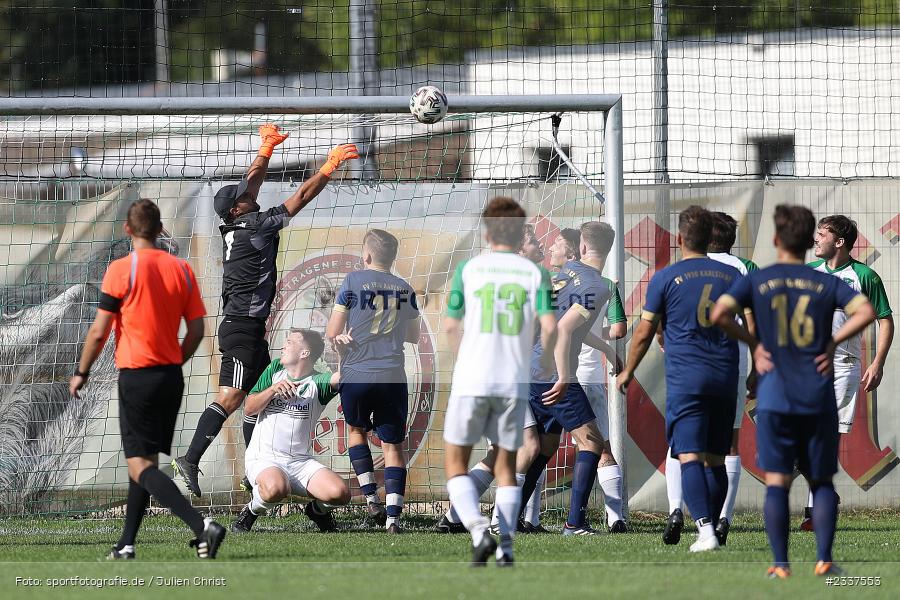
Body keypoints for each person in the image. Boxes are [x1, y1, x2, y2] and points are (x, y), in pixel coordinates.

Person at [173, 124, 358, 497]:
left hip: (248, 328)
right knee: (231, 397)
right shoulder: (256, 226)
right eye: (245, 196)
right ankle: (189, 460)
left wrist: (266, 148)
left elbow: (250, 184)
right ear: (238, 208)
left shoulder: (235, 222)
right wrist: (329, 166)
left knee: (259, 399)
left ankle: (252, 467)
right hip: (240, 327)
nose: (251, 192)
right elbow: (301, 195)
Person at [711, 204, 875, 578]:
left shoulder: (758, 280)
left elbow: (719, 314)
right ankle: (823, 560)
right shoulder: (826, 282)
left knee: (777, 480)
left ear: (775, 240)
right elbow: (865, 313)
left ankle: (781, 564)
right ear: (806, 242)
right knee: (820, 479)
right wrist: (832, 344)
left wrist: (755, 345)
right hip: (817, 393)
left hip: (775, 395)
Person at [69, 199, 226, 560]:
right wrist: (175, 360)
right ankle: (126, 544)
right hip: (170, 378)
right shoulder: (182, 269)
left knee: (139, 465)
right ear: (159, 230)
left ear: (127, 229)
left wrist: (81, 372)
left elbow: (98, 331)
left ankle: (201, 526)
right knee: (144, 464)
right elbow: (199, 328)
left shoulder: (121, 269)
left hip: (137, 378)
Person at [617, 206, 741, 553]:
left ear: (681, 238)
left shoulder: (665, 278)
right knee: (717, 458)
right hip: (725, 376)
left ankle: (704, 531)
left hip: (688, 379)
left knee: (688, 455)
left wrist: (628, 370)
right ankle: (713, 529)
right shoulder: (733, 276)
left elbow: (643, 332)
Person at [443, 196, 557, 566]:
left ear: (487, 230)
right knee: (507, 465)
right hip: (512, 380)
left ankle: (478, 531)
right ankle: (506, 545)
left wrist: (466, 358)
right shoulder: (534, 273)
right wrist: (544, 365)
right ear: (520, 230)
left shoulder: (469, 268)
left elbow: (450, 326)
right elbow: (550, 326)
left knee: (456, 464)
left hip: (472, 379)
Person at [518, 221, 619, 536]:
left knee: (545, 448)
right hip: (555, 373)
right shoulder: (599, 286)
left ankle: (509, 517)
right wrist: (564, 376)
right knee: (591, 443)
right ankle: (575, 523)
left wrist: (607, 349)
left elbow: (561, 322)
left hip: (533, 369)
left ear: (583, 248)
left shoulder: (563, 273)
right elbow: (564, 329)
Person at [663, 211, 758, 545]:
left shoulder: (678, 271)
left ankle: (676, 508)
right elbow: (755, 321)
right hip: (731, 365)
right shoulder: (743, 270)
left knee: (681, 444)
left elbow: (657, 327)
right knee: (727, 446)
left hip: (686, 367)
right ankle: (722, 519)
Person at [800, 214, 894, 530]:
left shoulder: (864, 277)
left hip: (843, 368)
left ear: (839, 242)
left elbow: (885, 319)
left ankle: (814, 513)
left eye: (822, 234)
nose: (816, 239)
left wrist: (877, 362)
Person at [325, 229, 420, 533]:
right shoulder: (405, 288)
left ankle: (370, 499)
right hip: (392, 373)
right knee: (394, 446)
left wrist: (343, 337)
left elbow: (332, 332)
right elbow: (414, 337)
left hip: (358, 370)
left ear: (366, 256)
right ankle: (393, 519)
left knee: (356, 430)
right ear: (392, 258)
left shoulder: (353, 281)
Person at [231, 329, 349, 534]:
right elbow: (249, 408)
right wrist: (272, 389)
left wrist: (342, 353)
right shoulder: (275, 369)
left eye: (290, 342)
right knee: (277, 488)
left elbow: (341, 379)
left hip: (299, 462)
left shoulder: (318, 383)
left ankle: (317, 512)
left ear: (304, 353)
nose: (283, 346)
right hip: (264, 458)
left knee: (340, 493)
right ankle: (250, 512)